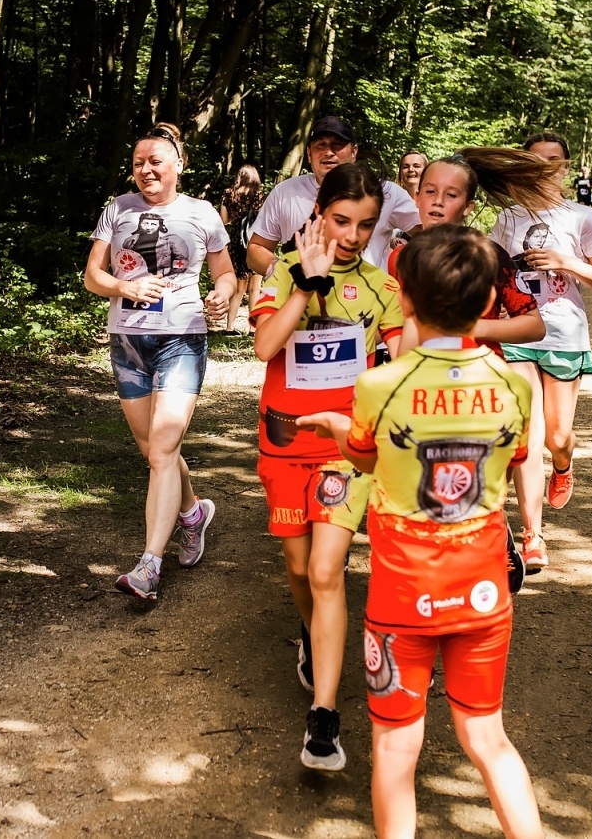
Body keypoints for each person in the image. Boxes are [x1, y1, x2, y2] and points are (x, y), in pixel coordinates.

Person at [300, 226, 543, 839]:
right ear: (491, 301)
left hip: (401, 598)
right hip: (483, 592)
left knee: (394, 748)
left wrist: (337, 428)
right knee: (488, 738)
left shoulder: (380, 385)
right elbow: (513, 457)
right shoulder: (515, 383)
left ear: (404, 299)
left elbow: (362, 459)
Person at [249, 163, 404, 772]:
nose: (353, 235)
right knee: (297, 567)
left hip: (345, 444)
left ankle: (324, 718)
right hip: (284, 439)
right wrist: (307, 285)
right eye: (342, 221)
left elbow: (404, 361)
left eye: (366, 225)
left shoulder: (382, 285)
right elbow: (265, 347)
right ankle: (316, 640)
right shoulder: (281, 270)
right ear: (318, 213)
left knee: (325, 568)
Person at [85, 123, 237, 602]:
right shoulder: (118, 209)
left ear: (179, 165)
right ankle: (193, 513)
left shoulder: (202, 212)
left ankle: (149, 565)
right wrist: (123, 286)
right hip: (128, 341)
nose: (146, 170)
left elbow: (226, 273)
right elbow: (92, 275)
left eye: (155, 161)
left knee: (164, 446)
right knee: (154, 451)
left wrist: (222, 294)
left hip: (181, 337)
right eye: (138, 163)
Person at [492, 132, 592, 572]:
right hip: (518, 333)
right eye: (535, 161)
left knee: (557, 437)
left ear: (565, 167)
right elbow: (493, 271)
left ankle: (563, 465)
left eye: (554, 161)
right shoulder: (507, 217)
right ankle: (533, 536)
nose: (545, 168)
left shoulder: (582, 216)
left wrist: (565, 261)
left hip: (564, 334)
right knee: (527, 434)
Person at [400, 149, 555, 354]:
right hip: (421, 372)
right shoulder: (401, 258)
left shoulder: (488, 255)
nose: (438, 201)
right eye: (430, 191)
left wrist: (463, 328)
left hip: (481, 370)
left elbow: (534, 326)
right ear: (417, 197)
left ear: (468, 206)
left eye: (451, 195)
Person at [245, 116, 421, 275]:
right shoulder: (285, 193)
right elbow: (256, 248)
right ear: (309, 153)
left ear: (354, 152)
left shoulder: (385, 192)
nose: (328, 152)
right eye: (320, 145)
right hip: (302, 297)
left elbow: (427, 234)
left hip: (367, 298)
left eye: (337, 145)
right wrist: (285, 273)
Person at [219, 164, 266, 333]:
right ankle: (254, 328)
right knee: (255, 287)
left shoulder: (228, 194)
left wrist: (237, 218)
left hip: (236, 243)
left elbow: (224, 220)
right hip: (256, 242)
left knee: (239, 288)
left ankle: (229, 327)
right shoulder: (259, 195)